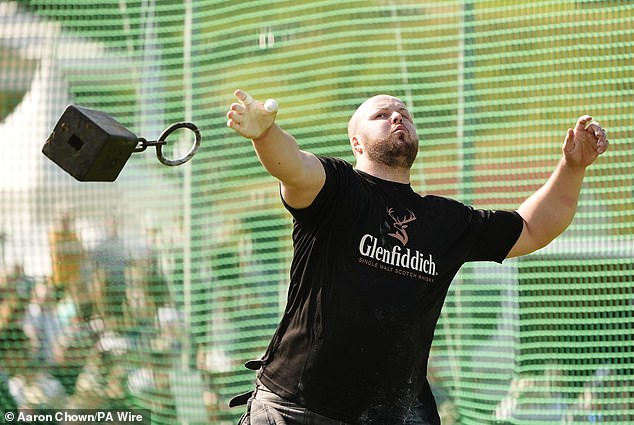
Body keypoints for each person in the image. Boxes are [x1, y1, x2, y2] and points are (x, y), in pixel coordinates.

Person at [225, 89, 609, 425]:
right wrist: (265, 133)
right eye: (381, 115)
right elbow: (293, 167)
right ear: (357, 143)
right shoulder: (337, 187)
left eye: (404, 114)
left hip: (392, 414)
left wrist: (572, 169)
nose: (397, 117)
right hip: (296, 407)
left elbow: (531, 228)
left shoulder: (444, 220)